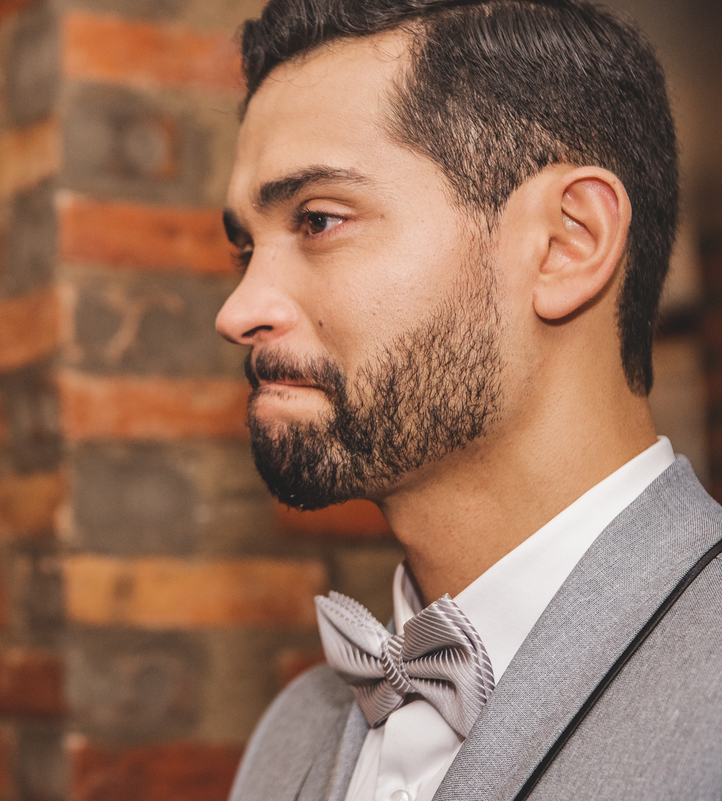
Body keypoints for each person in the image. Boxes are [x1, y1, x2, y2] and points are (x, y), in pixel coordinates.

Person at [215, 0, 722, 799]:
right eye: (245, 247)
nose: (238, 310)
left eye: (318, 220)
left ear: (567, 243)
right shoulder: (288, 738)